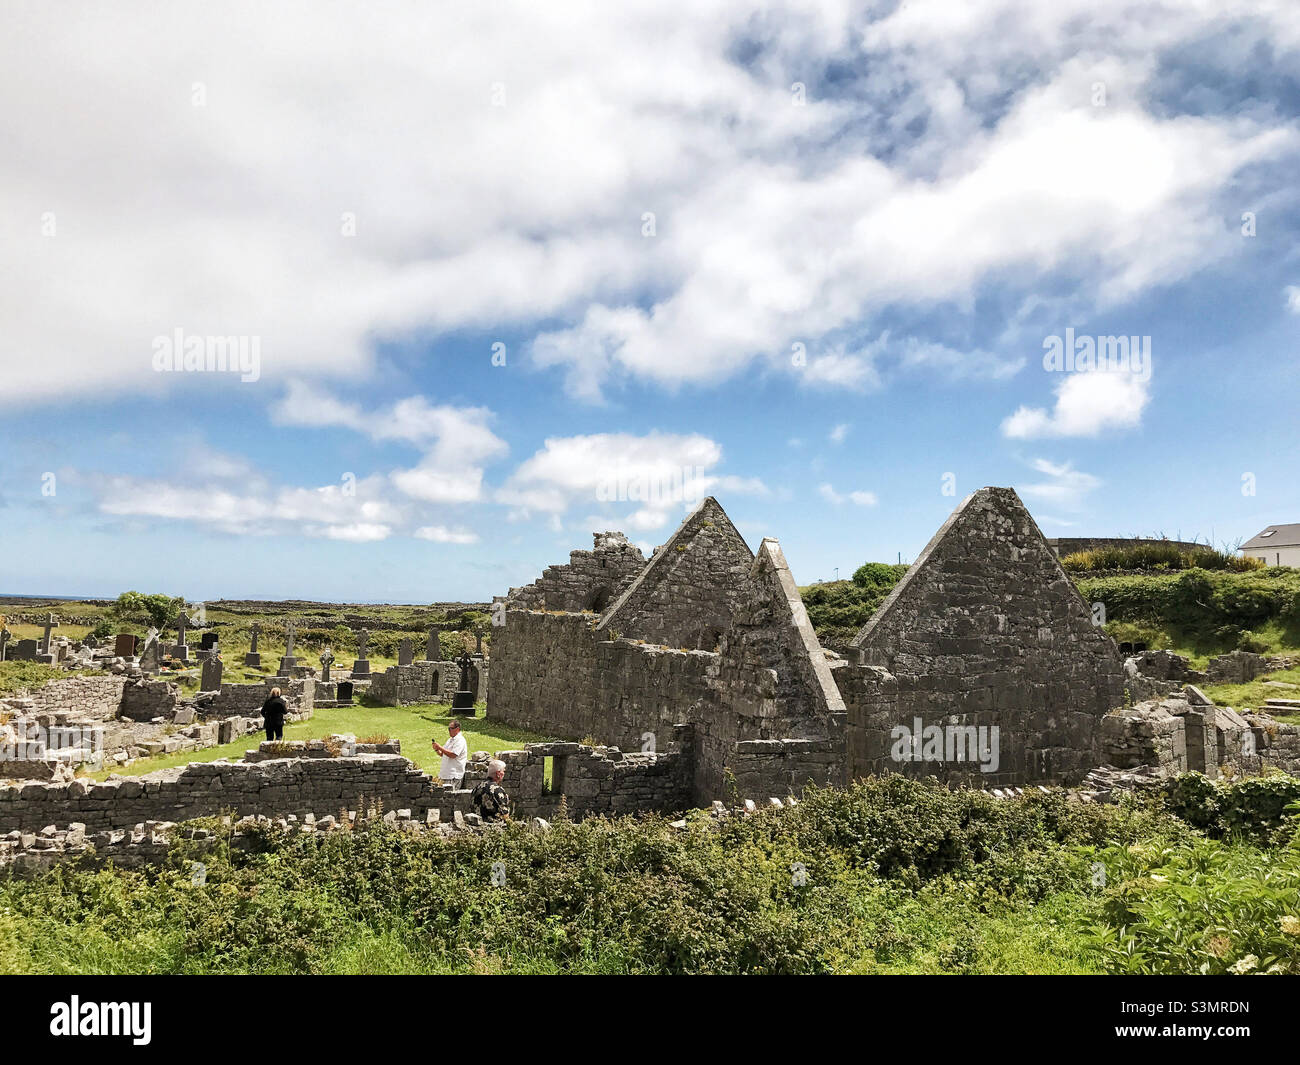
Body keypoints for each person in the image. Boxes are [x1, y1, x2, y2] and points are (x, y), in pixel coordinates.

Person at [431, 719, 468, 785]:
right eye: (448, 728)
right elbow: (442, 754)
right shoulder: (450, 740)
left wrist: (439, 747)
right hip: (445, 775)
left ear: (457, 729)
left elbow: (453, 755)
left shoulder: (460, 740)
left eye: (451, 728)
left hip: (453, 776)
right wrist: (436, 749)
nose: (449, 730)